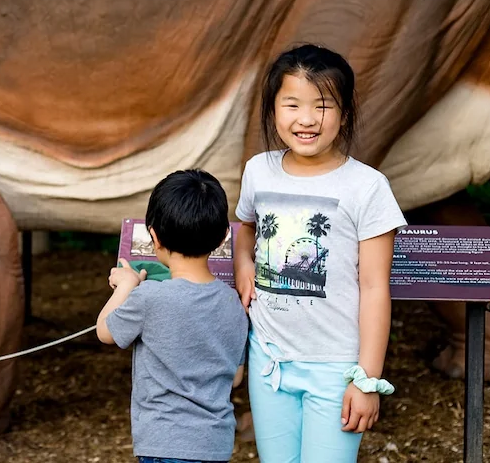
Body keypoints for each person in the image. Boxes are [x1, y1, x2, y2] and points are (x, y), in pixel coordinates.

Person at [234, 43, 406, 462]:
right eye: (292, 104)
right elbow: (245, 225)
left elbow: (375, 288)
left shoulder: (367, 187)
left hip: (336, 368)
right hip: (268, 360)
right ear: (273, 109)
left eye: (323, 106)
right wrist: (243, 262)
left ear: (344, 113)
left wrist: (367, 380)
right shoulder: (259, 170)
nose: (307, 119)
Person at [98, 169, 249, 463]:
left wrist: (126, 285)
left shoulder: (150, 297)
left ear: (153, 235)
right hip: (215, 444)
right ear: (223, 237)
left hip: (163, 443)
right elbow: (235, 378)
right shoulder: (234, 303)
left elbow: (105, 331)